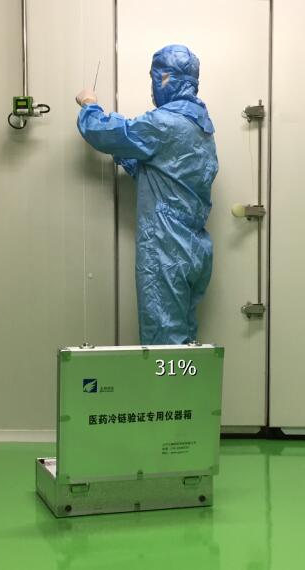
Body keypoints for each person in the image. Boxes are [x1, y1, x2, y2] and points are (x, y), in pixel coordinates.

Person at [75, 44, 218, 345]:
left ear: (165, 79)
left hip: (165, 250)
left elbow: (104, 132)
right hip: (193, 250)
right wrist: (127, 154)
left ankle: (168, 380)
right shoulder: (201, 127)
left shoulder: (164, 123)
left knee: (163, 344)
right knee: (184, 342)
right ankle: (184, 379)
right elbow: (167, 174)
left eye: (156, 78)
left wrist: (89, 104)